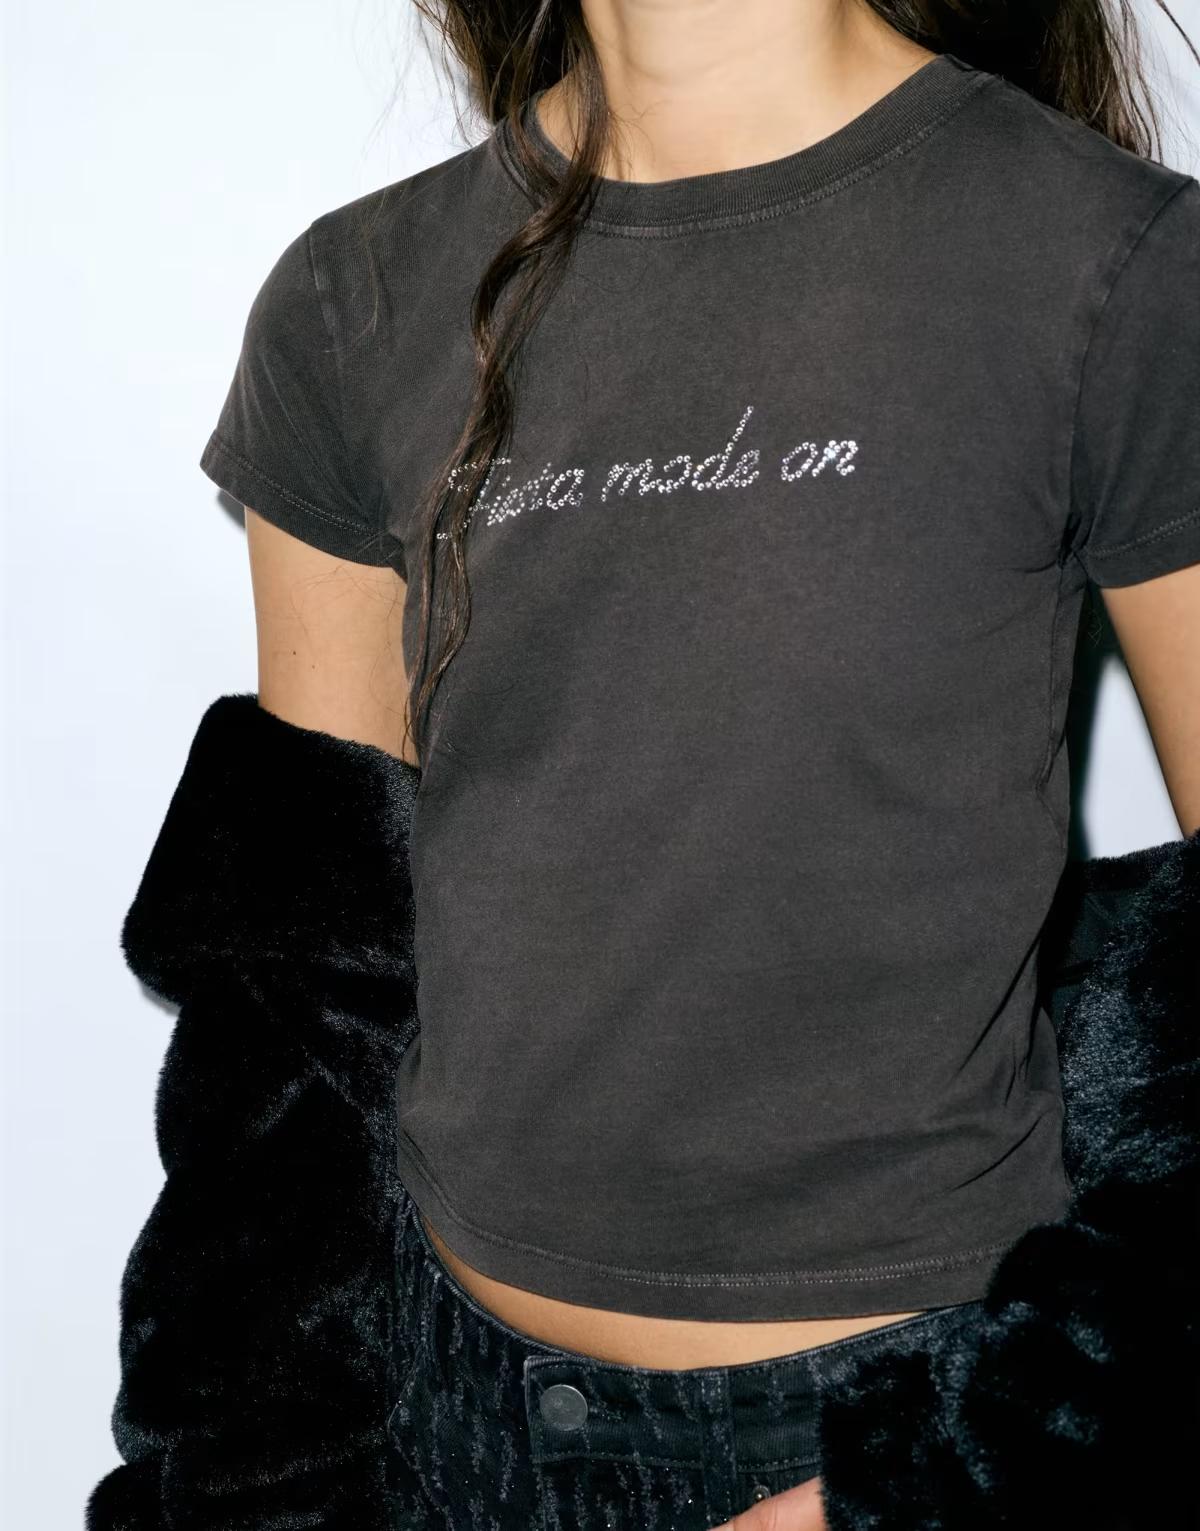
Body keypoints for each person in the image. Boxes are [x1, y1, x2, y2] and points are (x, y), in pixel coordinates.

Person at [90, 4, 1200, 1530]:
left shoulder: (1113, 264)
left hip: (882, 1430)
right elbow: (300, 1005)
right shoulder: (356, 297)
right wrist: (258, 1475)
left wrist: (948, 1479)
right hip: (441, 1429)